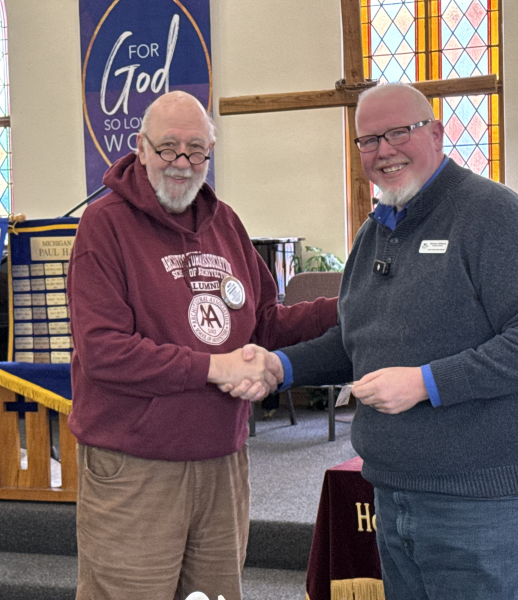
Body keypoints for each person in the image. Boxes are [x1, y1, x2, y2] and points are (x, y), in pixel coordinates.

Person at [232, 83, 518, 599]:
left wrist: (425, 382)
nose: (384, 150)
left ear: (437, 134)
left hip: (488, 501)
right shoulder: (376, 233)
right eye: (369, 140)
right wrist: (280, 367)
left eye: (399, 132)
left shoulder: (493, 214)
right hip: (397, 490)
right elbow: (357, 341)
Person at [66, 90, 338, 600]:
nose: (182, 163)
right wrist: (215, 368)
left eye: (196, 151)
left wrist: (345, 307)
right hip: (135, 466)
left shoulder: (225, 223)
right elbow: (104, 351)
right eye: (168, 148)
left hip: (222, 463)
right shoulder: (104, 226)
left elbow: (264, 324)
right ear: (140, 148)